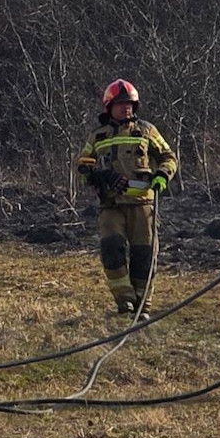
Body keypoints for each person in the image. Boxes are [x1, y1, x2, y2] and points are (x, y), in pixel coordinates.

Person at [75, 79, 177, 317]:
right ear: (109, 106)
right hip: (111, 205)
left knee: (145, 254)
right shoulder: (98, 136)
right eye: (121, 104)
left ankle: (142, 305)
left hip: (143, 204)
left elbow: (168, 157)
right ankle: (125, 301)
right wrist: (100, 175)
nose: (126, 108)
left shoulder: (147, 131)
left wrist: (162, 176)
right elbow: (82, 168)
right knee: (112, 250)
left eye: (130, 104)